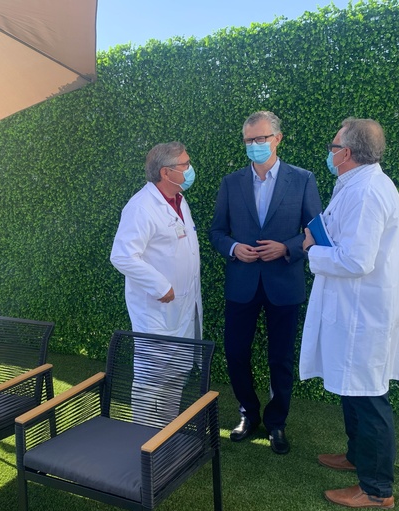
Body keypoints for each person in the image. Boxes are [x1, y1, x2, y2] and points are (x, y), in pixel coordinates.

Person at [300, 118, 399, 509]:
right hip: (355, 308)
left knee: (369, 397)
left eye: (333, 148)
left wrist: (312, 248)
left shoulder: (367, 191)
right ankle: (356, 457)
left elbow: (357, 260)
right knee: (354, 390)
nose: (330, 154)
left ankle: (377, 490)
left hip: (363, 314)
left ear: (346, 153)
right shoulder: (360, 184)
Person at [209, 111, 322, 454]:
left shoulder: (302, 179)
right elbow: (215, 231)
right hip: (242, 282)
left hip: (283, 283)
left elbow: (315, 232)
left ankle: (276, 423)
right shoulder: (231, 182)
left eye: (261, 139)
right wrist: (232, 248)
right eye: (249, 140)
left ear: (277, 139)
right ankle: (248, 413)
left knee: (280, 358)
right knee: (236, 353)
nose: (255, 145)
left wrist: (286, 248)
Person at [110, 142, 202, 425]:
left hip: (184, 308)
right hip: (157, 311)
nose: (190, 170)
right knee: (152, 381)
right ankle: (145, 440)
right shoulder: (141, 206)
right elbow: (122, 256)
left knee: (175, 374)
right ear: (166, 172)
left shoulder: (179, 200)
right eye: (184, 165)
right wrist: (160, 286)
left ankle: (165, 431)